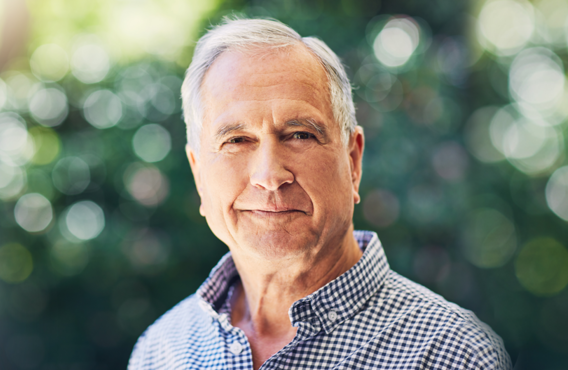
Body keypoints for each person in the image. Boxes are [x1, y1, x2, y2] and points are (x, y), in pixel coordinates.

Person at [128, 18, 512, 370]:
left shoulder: (453, 353)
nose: (269, 176)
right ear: (198, 175)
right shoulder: (161, 351)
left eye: (299, 135)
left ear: (353, 161)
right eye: (237, 140)